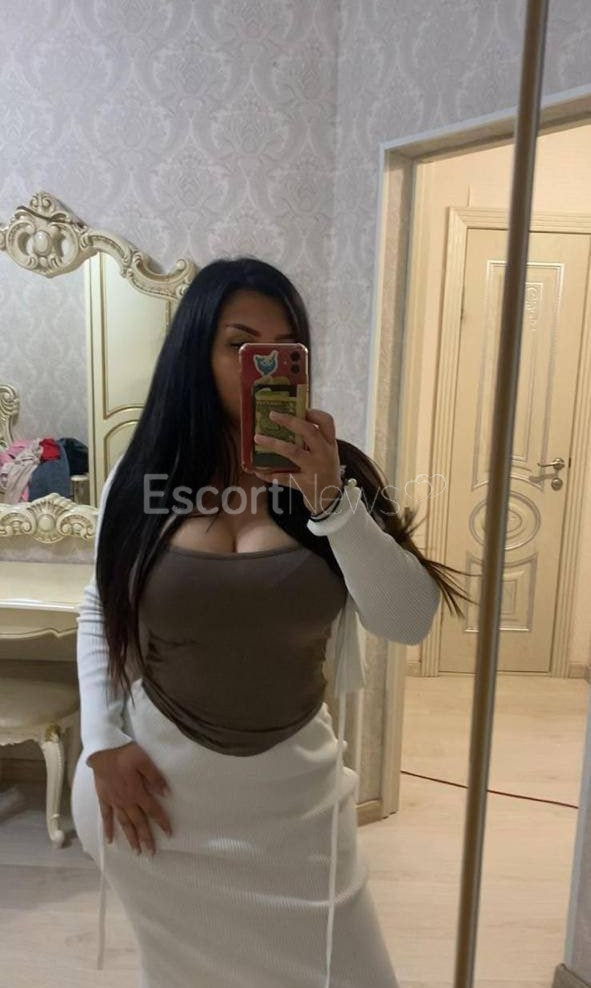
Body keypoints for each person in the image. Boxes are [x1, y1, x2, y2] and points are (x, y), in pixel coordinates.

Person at [71, 256, 472, 988]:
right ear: (196, 352)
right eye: (239, 344)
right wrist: (100, 742)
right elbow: (101, 605)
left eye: (284, 347)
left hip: (294, 798)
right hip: (156, 794)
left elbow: (408, 620)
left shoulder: (338, 474)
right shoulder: (141, 478)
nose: (262, 364)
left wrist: (332, 501)